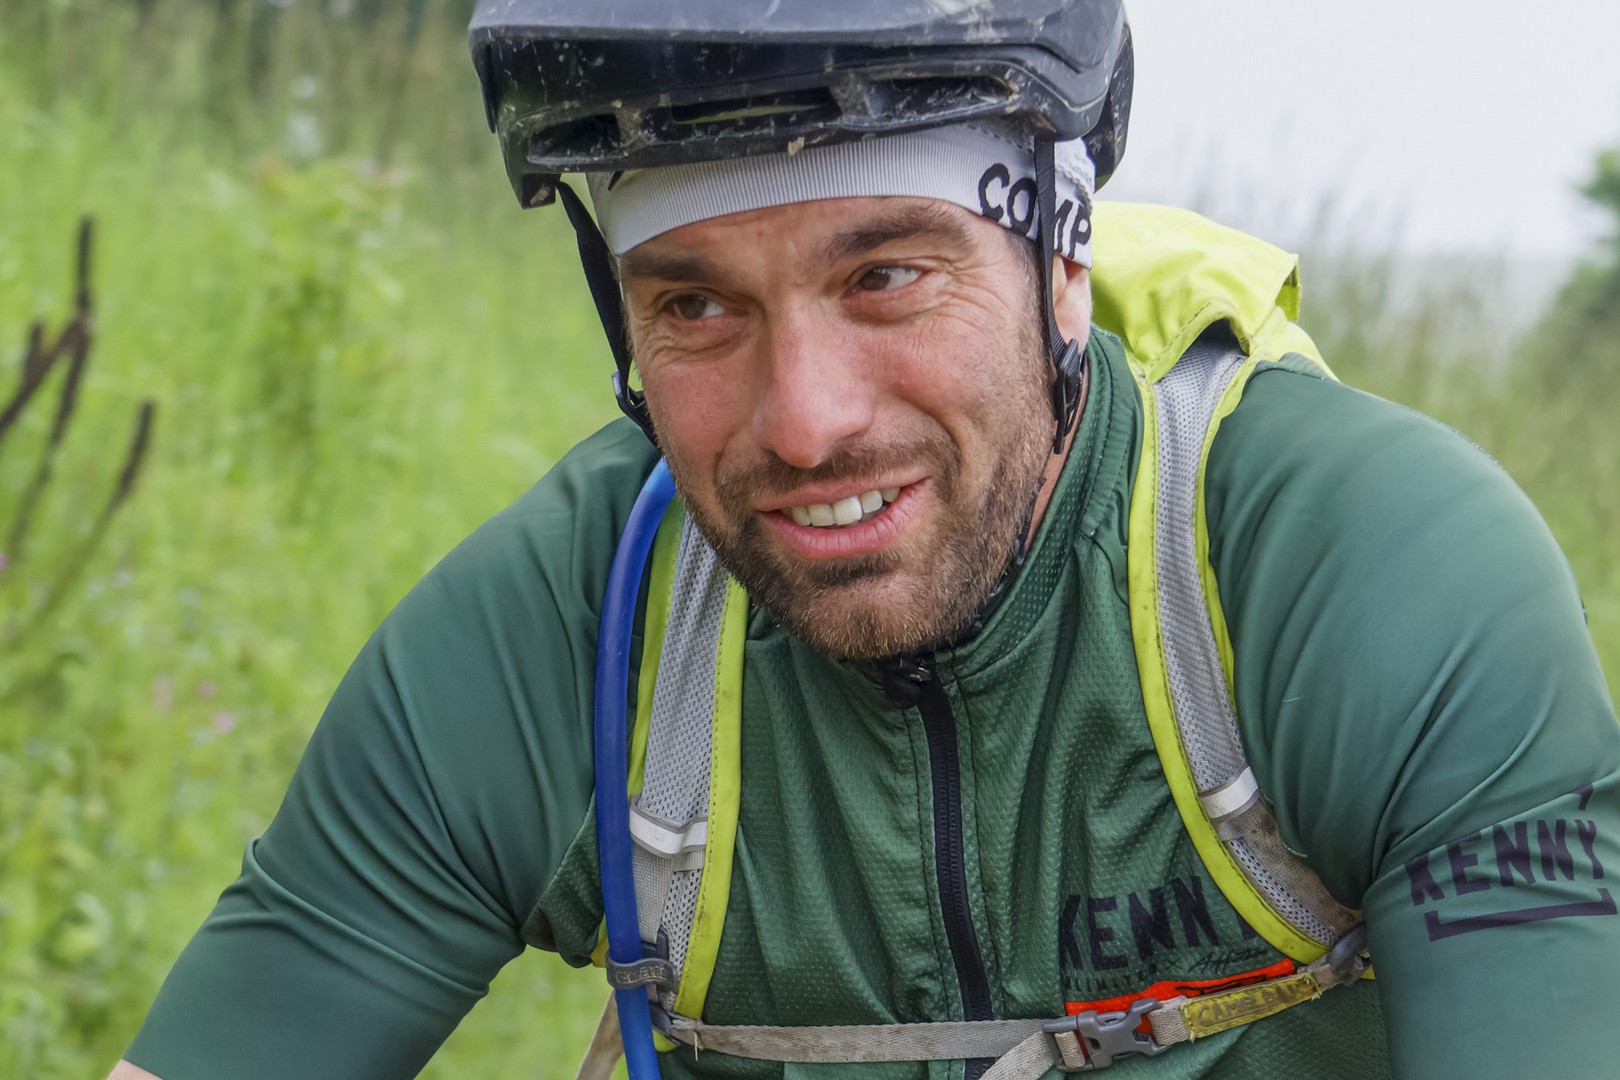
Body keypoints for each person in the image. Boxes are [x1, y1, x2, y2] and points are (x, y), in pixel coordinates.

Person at [109, 2, 1620, 1078]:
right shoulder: (580, 620)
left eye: (888, 276)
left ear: (1062, 261)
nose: (806, 422)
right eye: (695, 306)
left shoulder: (1359, 569)